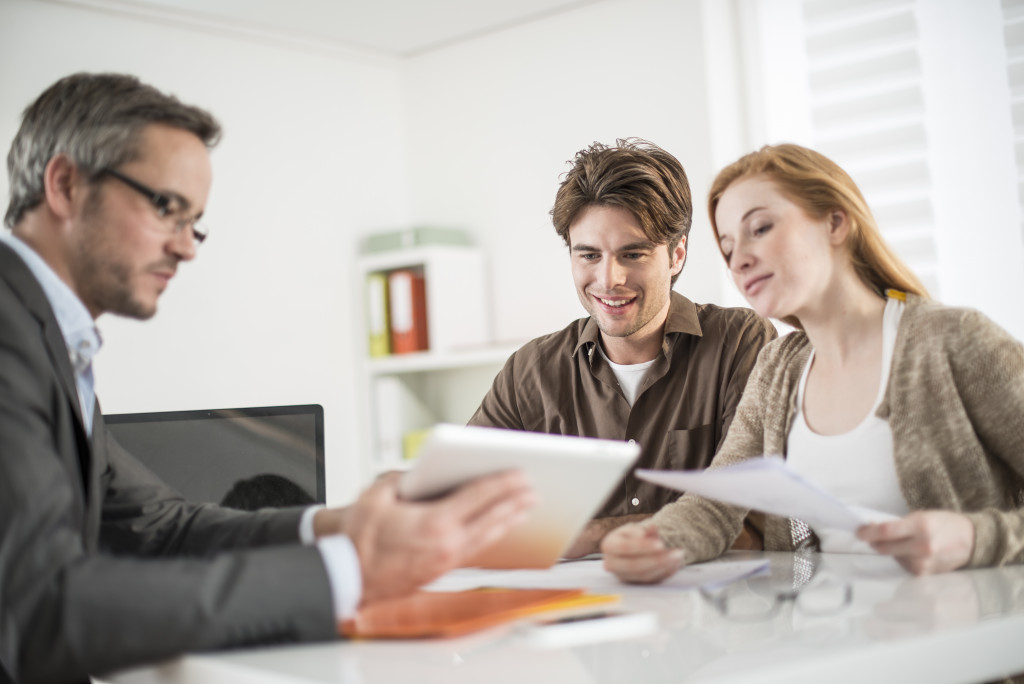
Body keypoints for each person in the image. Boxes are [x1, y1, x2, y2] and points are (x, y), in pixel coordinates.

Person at [0, 72, 534, 684]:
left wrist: (335, 527)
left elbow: (162, 527)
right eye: (167, 208)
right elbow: (42, 611)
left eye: (194, 223)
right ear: (66, 184)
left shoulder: (51, 341)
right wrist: (350, 569)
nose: (187, 248)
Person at [603, 143, 1024, 582]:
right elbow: (713, 509)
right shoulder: (778, 368)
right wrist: (652, 540)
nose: (740, 260)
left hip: (947, 641)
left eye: (760, 228)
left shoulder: (953, 340)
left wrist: (975, 539)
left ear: (835, 223)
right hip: (820, 641)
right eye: (728, 249)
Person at [469, 139, 777, 557]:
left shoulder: (739, 343)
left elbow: (760, 520)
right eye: (589, 255)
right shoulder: (532, 371)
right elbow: (465, 514)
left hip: (713, 610)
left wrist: (590, 535)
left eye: (632, 253)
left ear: (677, 254)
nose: (608, 278)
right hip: (578, 613)